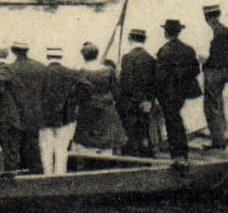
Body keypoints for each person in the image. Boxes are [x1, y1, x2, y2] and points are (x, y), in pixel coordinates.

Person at [154, 19, 202, 162]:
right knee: (176, 117)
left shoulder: (164, 50)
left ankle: (178, 153)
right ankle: (181, 149)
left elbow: (160, 75)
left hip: (168, 92)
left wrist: (156, 92)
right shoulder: (188, 49)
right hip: (183, 91)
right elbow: (196, 70)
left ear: (166, 32)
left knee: (172, 119)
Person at [73, 42, 126, 153]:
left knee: (87, 142)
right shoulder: (108, 70)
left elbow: (77, 94)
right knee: (106, 140)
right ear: (97, 54)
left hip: (87, 109)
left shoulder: (80, 72)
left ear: (83, 56)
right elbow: (116, 91)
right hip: (106, 108)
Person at [39, 48, 84, 174]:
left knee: (46, 149)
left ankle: (47, 176)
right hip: (65, 117)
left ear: (48, 57)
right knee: (62, 149)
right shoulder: (70, 73)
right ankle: (60, 176)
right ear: (61, 57)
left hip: (44, 118)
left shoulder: (41, 73)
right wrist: (74, 101)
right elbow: (87, 87)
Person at [6, 40, 47, 173]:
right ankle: (37, 176)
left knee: (15, 149)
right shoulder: (41, 67)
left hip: (16, 115)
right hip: (37, 114)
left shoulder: (9, 69)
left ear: (13, 51)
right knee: (34, 148)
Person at [117, 29, 157, 157]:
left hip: (129, 101)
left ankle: (131, 157)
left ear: (130, 39)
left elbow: (126, 83)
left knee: (130, 130)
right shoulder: (151, 58)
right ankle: (146, 154)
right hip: (145, 101)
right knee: (144, 128)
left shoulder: (128, 58)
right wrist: (148, 100)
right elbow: (153, 83)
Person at [201, 4, 228, 150]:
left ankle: (218, 142)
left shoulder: (218, 34)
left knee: (211, 107)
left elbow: (215, 58)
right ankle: (223, 133)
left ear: (208, 19)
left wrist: (204, 62)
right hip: (225, 73)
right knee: (219, 103)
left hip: (214, 74)